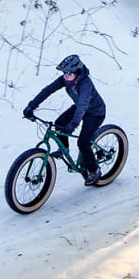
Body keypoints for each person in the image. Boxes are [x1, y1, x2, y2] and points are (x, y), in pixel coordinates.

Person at [23, 54, 107, 186]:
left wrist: (73, 124)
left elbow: (83, 105)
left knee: (83, 142)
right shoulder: (65, 80)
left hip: (95, 113)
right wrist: (32, 106)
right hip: (79, 107)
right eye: (64, 73)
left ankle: (95, 170)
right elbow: (48, 90)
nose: (65, 76)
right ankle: (64, 149)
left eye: (69, 73)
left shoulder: (85, 84)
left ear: (77, 72)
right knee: (59, 124)